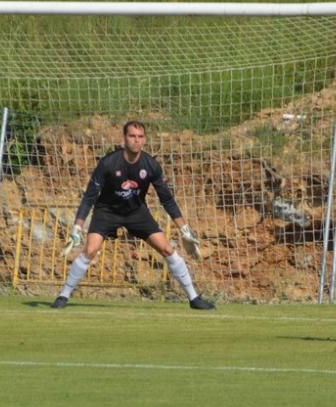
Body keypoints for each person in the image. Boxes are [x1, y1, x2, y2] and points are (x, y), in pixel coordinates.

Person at [50, 120, 215, 310]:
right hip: (107, 211)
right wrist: (77, 227)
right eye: (132, 136)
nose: (136, 140)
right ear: (124, 138)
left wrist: (184, 229)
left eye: (140, 137)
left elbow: (167, 199)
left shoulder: (151, 165)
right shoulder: (108, 163)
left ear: (144, 140)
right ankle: (63, 296)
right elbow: (89, 197)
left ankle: (194, 298)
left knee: (167, 250)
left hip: (136, 212)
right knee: (90, 250)